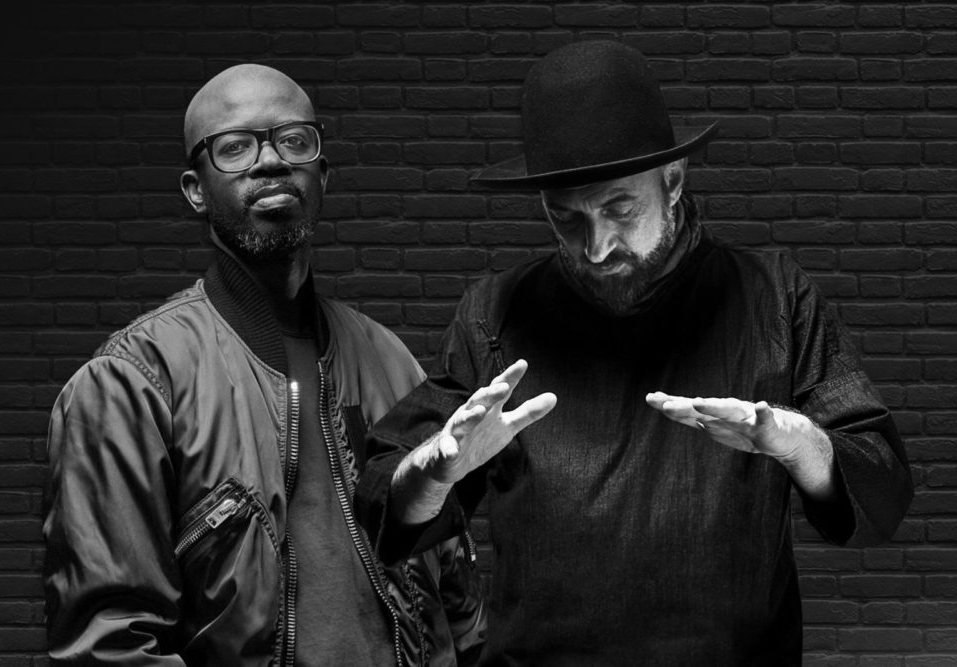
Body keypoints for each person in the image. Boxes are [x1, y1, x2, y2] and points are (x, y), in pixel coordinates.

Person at [356, 40, 914, 665]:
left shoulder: (775, 297)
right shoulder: (495, 313)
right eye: (566, 219)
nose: (596, 248)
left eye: (619, 209)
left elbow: (881, 487)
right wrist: (434, 471)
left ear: (672, 181)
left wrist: (798, 443)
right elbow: (380, 502)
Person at [43, 64, 485, 666]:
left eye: (294, 141)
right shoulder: (132, 382)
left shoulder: (391, 360)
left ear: (322, 174)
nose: (271, 160)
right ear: (195, 190)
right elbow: (111, 644)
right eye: (235, 147)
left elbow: (457, 603)